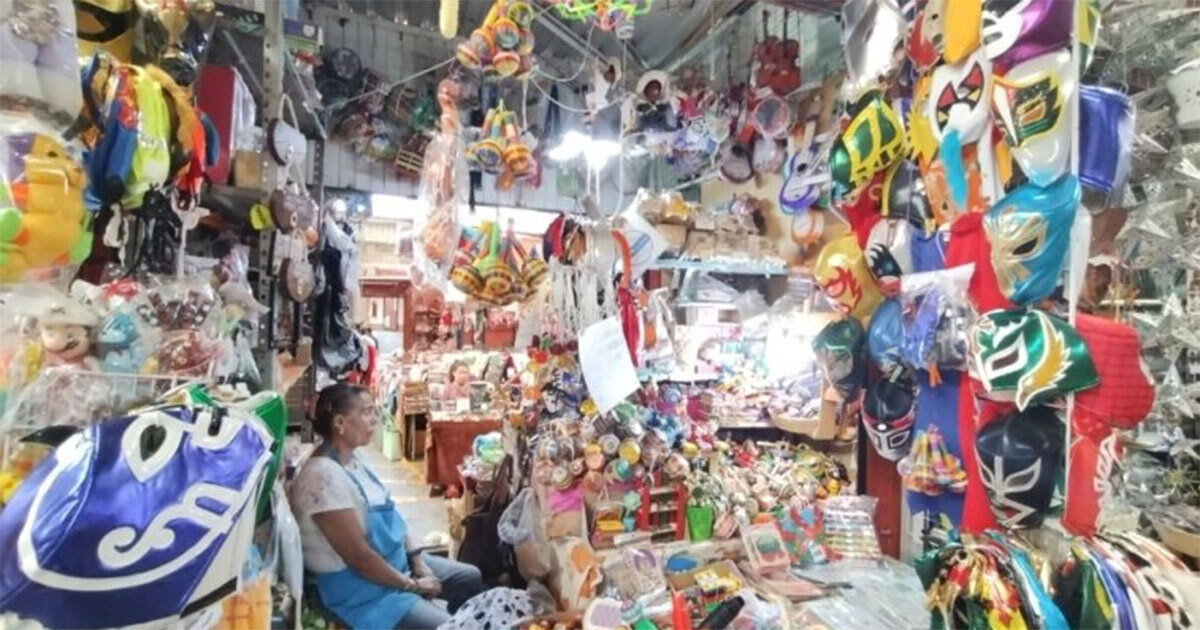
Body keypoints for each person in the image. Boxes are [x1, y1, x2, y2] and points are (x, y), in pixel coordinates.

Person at [289, 383, 484, 629]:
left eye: (374, 410)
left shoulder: (355, 459)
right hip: (360, 590)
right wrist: (411, 585)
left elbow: (392, 515)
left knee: (468, 578)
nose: (375, 419)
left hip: (392, 563)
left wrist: (416, 561)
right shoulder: (322, 478)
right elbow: (359, 558)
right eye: (366, 412)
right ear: (340, 423)